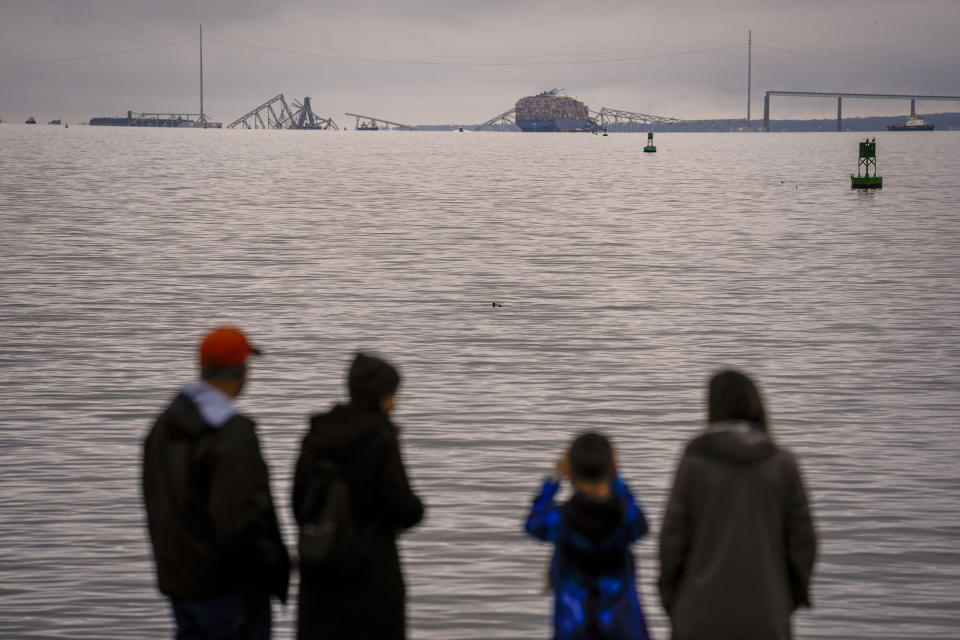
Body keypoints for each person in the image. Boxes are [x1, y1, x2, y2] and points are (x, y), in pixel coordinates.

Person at [143, 326, 289, 640]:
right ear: (242, 369)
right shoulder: (231, 432)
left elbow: (156, 499)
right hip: (228, 588)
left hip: (180, 581)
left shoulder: (163, 426)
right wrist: (268, 568)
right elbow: (238, 518)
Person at [658, 370, 817, 640]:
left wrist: (674, 601)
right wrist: (785, 600)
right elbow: (804, 542)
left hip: (699, 613)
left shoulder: (694, 462)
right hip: (766, 614)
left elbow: (672, 540)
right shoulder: (781, 463)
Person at [293, 352, 424, 640]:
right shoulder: (380, 437)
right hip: (370, 573)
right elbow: (402, 506)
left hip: (321, 568)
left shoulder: (317, 434)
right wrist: (417, 510)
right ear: (382, 397)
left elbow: (298, 503)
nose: (395, 403)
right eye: (392, 395)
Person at [525, 432, 652, 640]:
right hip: (624, 629)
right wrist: (617, 479)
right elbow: (641, 524)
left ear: (570, 471)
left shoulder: (561, 520)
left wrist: (553, 480)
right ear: (612, 468)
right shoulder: (625, 518)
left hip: (573, 630)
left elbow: (533, 524)